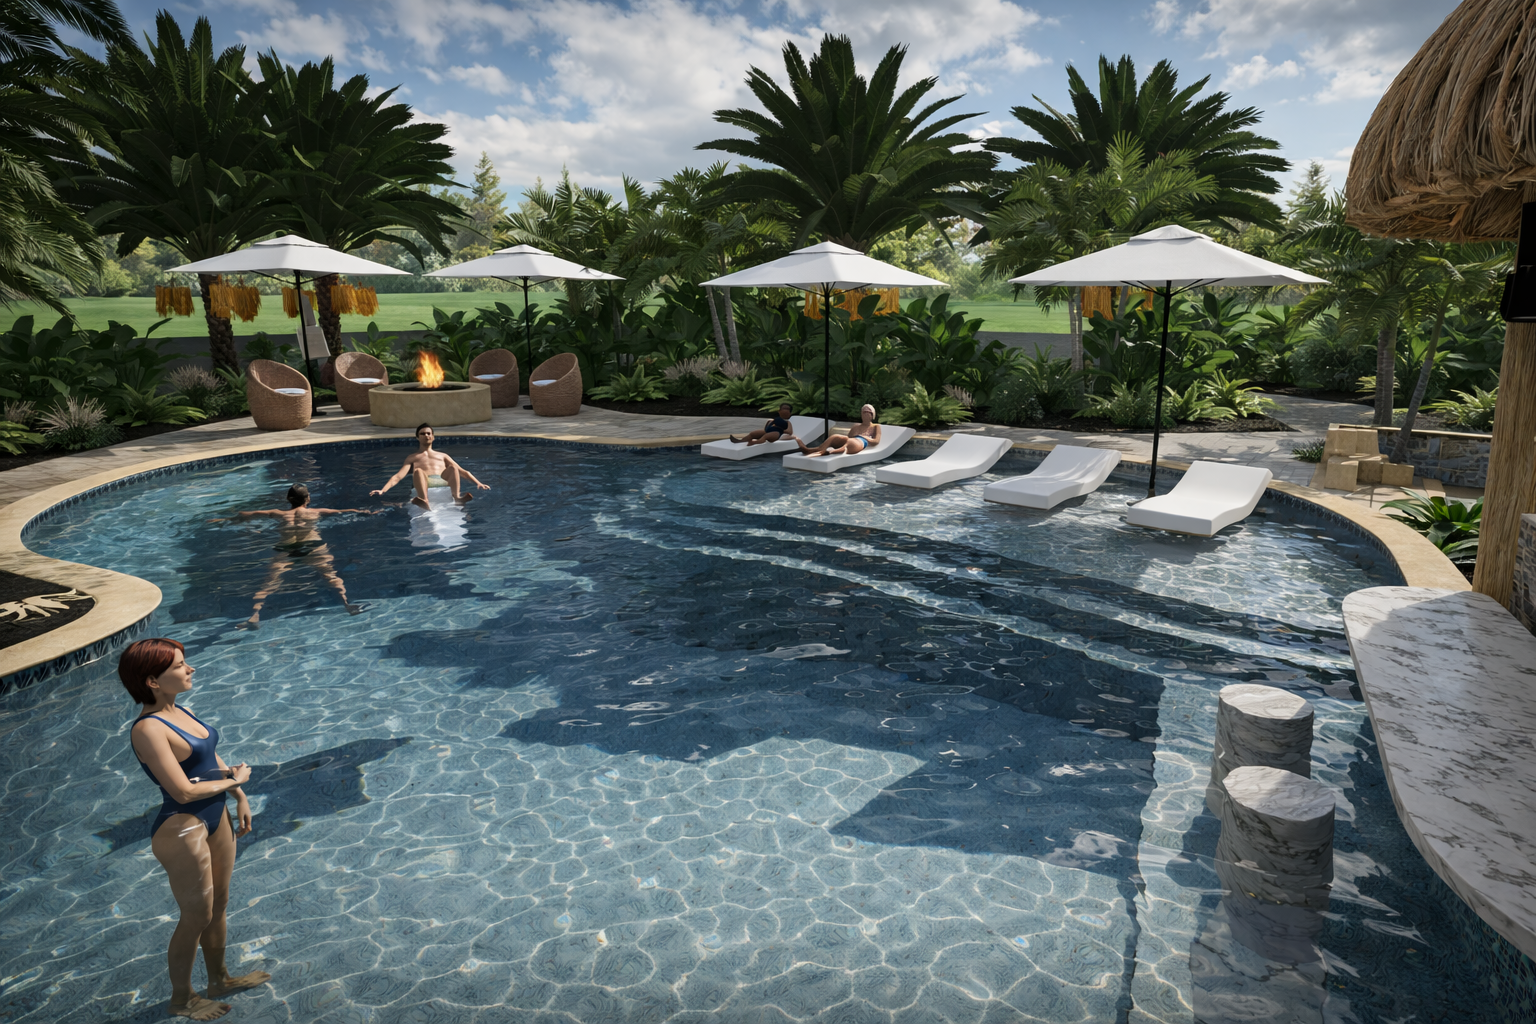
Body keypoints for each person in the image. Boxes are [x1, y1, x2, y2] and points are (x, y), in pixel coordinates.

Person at [120, 638, 269, 1020]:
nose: (191, 669)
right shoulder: (148, 729)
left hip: (217, 816)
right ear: (152, 681)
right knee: (196, 916)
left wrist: (239, 795)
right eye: (179, 665)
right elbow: (183, 791)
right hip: (183, 828)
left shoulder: (181, 710)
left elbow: (210, 757)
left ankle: (219, 980)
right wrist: (237, 780)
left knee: (218, 906)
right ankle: (182, 999)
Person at [214, 484, 374, 629]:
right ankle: (347, 604)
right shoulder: (315, 512)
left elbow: (247, 514)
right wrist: (365, 512)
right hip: (312, 547)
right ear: (308, 498)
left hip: (286, 549)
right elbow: (344, 512)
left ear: (288, 499)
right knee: (330, 576)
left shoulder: (278, 514)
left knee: (269, 583)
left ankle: (254, 615)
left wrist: (224, 520)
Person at [370, 424, 489, 510]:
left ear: (433, 437)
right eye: (422, 434)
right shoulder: (412, 457)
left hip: (443, 481)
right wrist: (383, 490)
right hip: (425, 483)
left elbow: (463, 472)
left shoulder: (443, 455)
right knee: (418, 471)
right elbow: (398, 476)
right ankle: (424, 500)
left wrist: (478, 483)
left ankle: (457, 497)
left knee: (453, 468)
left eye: (428, 433)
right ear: (417, 437)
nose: (426, 435)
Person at [797, 403, 881, 457]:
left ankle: (829, 452)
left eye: (868, 413)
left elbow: (876, 441)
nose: (866, 414)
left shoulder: (875, 426)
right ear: (861, 414)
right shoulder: (856, 427)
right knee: (834, 436)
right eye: (864, 412)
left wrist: (863, 436)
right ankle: (814, 449)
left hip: (858, 443)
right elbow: (848, 438)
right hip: (851, 441)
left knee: (850, 442)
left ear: (872, 415)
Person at [730, 403, 796, 446]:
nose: (785, 411)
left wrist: (779, 428)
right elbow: (766, 428)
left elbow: (790, 432)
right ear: (779, 411)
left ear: (790, 413)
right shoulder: (776, 420)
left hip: (778, 433)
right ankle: (741, 441)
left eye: (787, 409)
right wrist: (769, 425)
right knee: (753, 433)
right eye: (783, 409)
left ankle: (754, 442)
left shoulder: (788, 422)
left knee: (766, 436)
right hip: (769, 431)